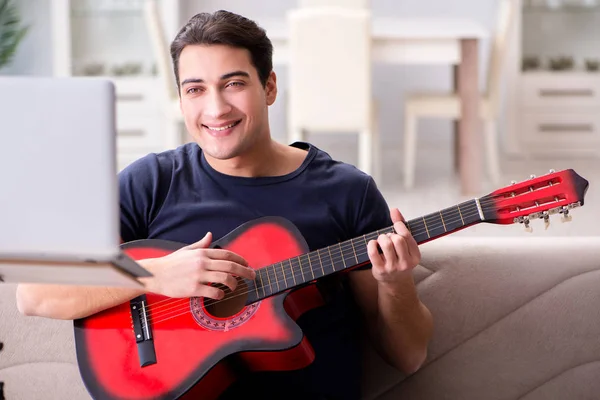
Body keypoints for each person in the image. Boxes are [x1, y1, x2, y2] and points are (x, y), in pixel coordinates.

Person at [16, 10, 433, 400]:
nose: (215, 109)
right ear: (180, 99)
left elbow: (408, 357)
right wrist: (152, 275)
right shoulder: (151, 182)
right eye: (195, 89)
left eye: (234, 84)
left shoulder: (348, 190)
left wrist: (396, 284)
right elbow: (35, 292)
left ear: (269, 87)